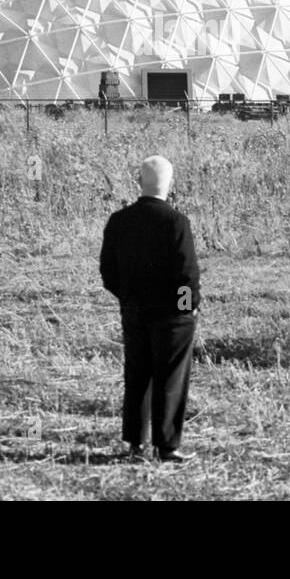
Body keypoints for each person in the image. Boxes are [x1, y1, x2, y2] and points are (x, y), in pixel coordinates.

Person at [99, 155, 201, 462]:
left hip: (134, 310)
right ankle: (167, 446)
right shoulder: (176, 222)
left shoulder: (119, 220)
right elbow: (187, 275)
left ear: (139, 181)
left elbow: (108, 271)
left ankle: (136, 444)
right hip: (172, 315)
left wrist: (127, 298)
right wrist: (186, 309)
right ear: (169, 184)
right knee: (170, 378)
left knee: (137, 375)